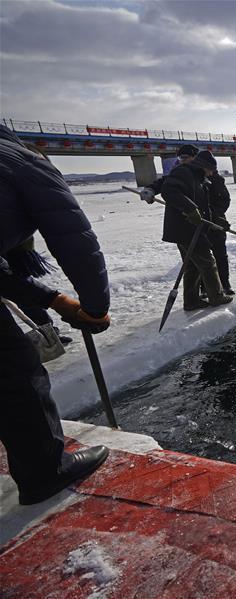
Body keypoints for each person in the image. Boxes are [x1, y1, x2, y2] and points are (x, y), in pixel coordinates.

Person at [0, 124, 111, 505]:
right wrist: (94, 308)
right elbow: (76, 241)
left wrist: (54, 299)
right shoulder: (25, 163)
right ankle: (44, 472)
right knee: (14, 369)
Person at [161, 150, 233, 311]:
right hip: (184, 229)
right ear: (203, 166)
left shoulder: (199, 179)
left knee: (193, 266)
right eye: (211, 170)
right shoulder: (183, 172)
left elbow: (204, 208)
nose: (211, 173)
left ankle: (191, 301)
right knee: (208, 263)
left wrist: (217, 220)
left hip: (192, 228)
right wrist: (189, 208)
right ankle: (217, 297)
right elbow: (168, 191)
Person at [206, 169, 234, 295]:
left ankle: (225, 284)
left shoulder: (217, 180)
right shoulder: (193, 178)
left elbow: (225, 200)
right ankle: (205, 288)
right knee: (203, 258)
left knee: (221, 255)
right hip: (200, 222)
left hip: (218, 223)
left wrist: (215, 215)